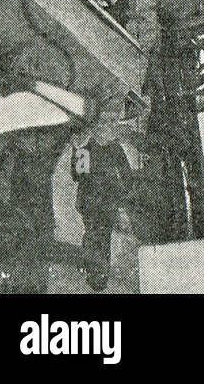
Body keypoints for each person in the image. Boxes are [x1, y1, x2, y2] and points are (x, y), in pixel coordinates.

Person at [70, 112, 133, 292]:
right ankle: (98, 271)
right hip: (107, 200)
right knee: (103, 237)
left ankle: (92, 269)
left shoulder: (84, 146)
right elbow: (127, 176)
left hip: (88, 200)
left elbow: (76, 175)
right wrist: (121, 195)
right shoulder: (113, 146)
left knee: (92, 234)